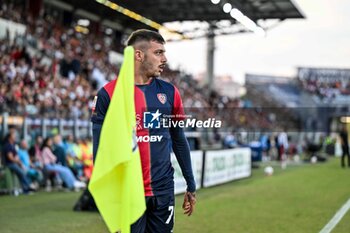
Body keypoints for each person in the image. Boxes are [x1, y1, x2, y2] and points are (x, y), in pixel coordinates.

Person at [91, 29, 196, 233]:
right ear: (138, 55)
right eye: (158, 53)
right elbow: (100, 151)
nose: (164, 59)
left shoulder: (170, 92)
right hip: (128, 193)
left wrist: (191, 183)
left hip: (163, 191)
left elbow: (179, 140)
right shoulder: (108, 94)